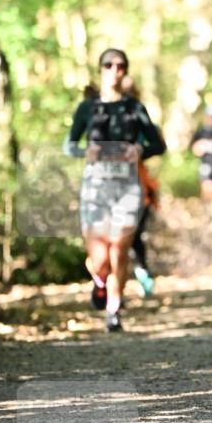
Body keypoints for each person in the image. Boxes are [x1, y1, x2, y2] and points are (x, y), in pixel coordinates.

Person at [64, 49, 166, 330]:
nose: (115, 70)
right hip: (96, 188)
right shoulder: (88, 107)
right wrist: (87, 151)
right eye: (108, 64)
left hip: (128, 188)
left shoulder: (134, 108)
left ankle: (114, 310)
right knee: (99, 259)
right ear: (101, 69)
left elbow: (158, 145)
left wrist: (138, 150)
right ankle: (99, 281)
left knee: (120, 249)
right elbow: (69, 145)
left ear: (126, 70)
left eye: (120, 65)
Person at [120, 75, 166, 297]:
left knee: (134, 233)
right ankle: (116, 287)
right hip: (106, 187)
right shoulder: (102, 115)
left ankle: (142, 271)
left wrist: (139, 150)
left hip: (139, 183)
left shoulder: (141, 117)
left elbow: (158, 145)